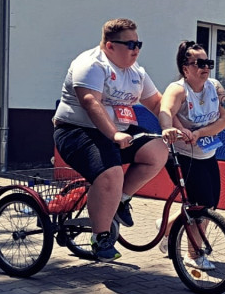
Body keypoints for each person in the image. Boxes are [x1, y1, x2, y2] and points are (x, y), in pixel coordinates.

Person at [53, 19, 170, 261]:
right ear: (109, 46)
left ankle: (120, 199)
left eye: (139, 44)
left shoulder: (136, 72)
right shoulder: (91, 64)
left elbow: (158, 103)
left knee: (158, 150)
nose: (136, 49)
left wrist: (177, 128)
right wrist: (114, 135)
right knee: (111, 172)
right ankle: (101, 237)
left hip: (118, 131)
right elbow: (90, 102)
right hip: (76, 131)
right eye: (130, 44)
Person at [158, 40, 225, 269]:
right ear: (185, 68)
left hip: (207, 152)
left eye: (208, 62)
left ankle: (168, 227)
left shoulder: (216, 87)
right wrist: (169, 128)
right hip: (182, 155)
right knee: (198, 207)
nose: (205, 67)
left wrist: (199, 133)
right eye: (199, 63)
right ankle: (193, 254)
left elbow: (224, 119)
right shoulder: (178, 89)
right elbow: (165, 110)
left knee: (209, 204)